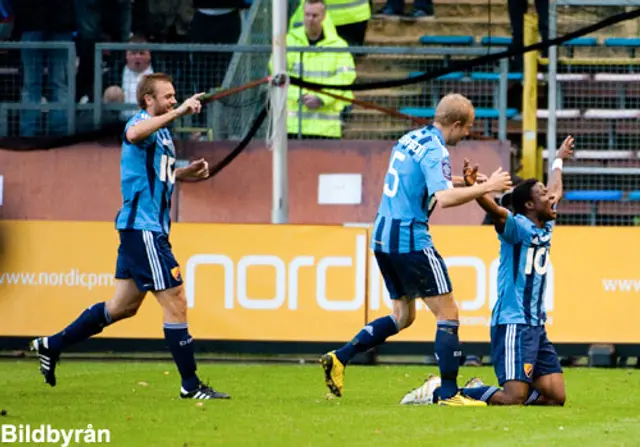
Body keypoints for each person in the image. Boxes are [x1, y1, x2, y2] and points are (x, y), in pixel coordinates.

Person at [30, 73, 230, 401]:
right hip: (144, 230)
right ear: (147, 100)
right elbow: (133, 134)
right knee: (176, 300)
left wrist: (183, 172)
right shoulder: (140, 121)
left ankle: (51, 344)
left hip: (141, 229)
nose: (173, 101)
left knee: (120, 307)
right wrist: (179, 114)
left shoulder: (162, 132)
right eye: (167, 97)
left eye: (174, 96)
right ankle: (190, 386)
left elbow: (156, 173)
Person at [320, 93, 513, 406]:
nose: (467, 134)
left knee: (403, 315)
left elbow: (424, 181)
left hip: (382, 235)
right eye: (468, 128)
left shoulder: (412, 138)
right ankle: (450, 394)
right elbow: (444, 198)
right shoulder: (437, 149)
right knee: (448, 313)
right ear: (456, 123)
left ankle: (340, 357)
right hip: (409, 238)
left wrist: (466, 183)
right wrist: (487, 186)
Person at [400, 136, 575, 406]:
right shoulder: (516, 228)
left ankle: (481, 388)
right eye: (543, 195)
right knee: (513, 398)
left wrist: (559, 159)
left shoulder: (545, 223)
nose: (551, 197)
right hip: (513, 323)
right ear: (529, 205)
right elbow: (496, 210)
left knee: (556, 397)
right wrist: (478, 189)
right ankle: (438, 391)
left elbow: (556, 187)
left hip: (536, 326)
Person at [285, 0, 356, 140]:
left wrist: (321, 98)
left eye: (315, 15)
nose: (310, 19)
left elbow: (345, 78)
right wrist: (301, 95)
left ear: (324, 16)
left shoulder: (339, 45)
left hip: (327, 129)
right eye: (307, 15)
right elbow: (279, 76)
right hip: (293, 126)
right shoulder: (289, 41)